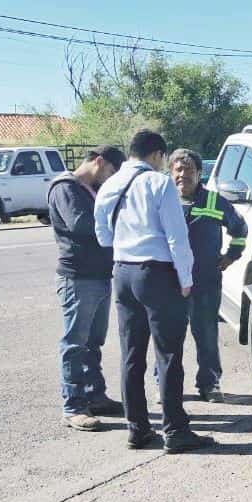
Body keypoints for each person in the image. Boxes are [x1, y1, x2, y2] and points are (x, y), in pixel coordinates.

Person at [94, 130, 214, 453]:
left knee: (131, 354)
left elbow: (102, 234)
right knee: (169, 355)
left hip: (123, 272)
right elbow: (177, 237)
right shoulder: (159, 184)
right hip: (158, 275)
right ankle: (175, 430)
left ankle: (137, 429)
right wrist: (186, 278)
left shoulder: (110, 184)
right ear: (158, 156)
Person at [49, 145, 126, 432]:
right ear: (98, 161)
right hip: (77, 277)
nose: (109, 179)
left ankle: (95, 395)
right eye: (110, 172)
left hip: (99, 275)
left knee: (94, 342)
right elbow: (81, 224)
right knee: (74, 344)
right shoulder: (66, 187)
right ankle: (74, 407)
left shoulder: (88, 189)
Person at [166, 148, 247, 403]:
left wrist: (231, 256)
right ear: (170, 173)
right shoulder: (162, 201)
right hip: (169, 282)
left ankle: (210, 383)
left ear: (200, 173)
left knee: (206, 335)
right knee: (168, 337)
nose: (183, 175)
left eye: (189, 170)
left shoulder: (215, 201)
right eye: (178, 170)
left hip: (205, 282)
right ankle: (167, 384)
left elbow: (240, 229)